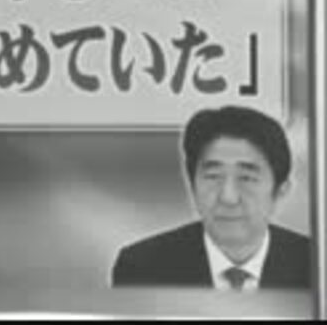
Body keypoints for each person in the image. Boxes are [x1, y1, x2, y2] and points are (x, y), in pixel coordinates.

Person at [111, 105, 310, 291]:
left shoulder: (315, 264)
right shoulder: (141, 267)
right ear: (192, 185)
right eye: (213, 176)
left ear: (280, 191)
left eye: (246, 178)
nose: (228, 197)